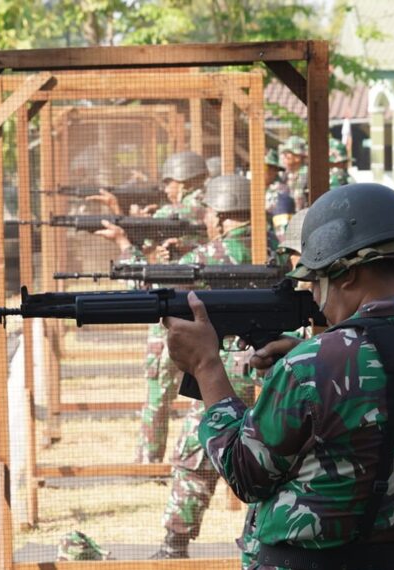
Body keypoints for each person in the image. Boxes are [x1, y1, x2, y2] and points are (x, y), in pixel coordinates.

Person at [163, 182, 394, 569]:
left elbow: (246, 474)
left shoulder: (310, 366)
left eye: (316, 281)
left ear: (346, 275)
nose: (316, 298)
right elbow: (393, 363)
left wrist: (206, 366)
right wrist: (313, 355)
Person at [151, 174, 284, 559]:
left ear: (222, 215)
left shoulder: (205, 257)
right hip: (274, 362)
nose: (206, 218)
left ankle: (174, 544)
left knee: (195, 452)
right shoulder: (274, 249)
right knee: (271, 449)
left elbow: (161, 292)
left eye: (209, 212)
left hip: (224, 370)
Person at [92, 151, 209, 464]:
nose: (166, 189)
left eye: (169, 183)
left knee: (159, 388)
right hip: (206, 311)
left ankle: (148, 459)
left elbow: (145, 268)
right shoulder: (210, 209)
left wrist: (124, 237)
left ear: (183, 181)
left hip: (174, 309)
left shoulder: (176, 211)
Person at [264, 149, 294, 240]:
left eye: (263, 167)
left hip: (271, 244)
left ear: (273, 171)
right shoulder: (256, 190)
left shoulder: (279, 193)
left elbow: (283, 232)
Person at [279, 136, 309, 208]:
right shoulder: (285, 175)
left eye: (287, 153)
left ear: (297, 157)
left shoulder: (307, 174)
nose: (284, 157)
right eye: (284, 154)